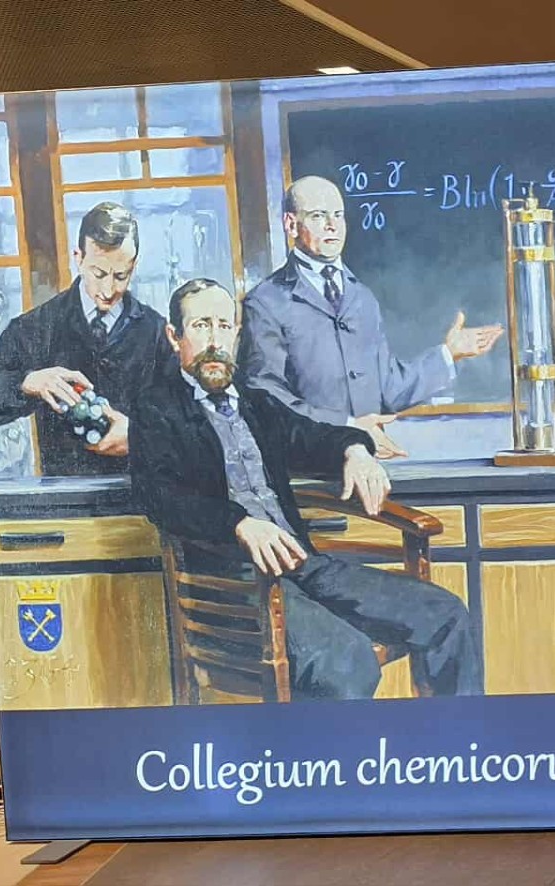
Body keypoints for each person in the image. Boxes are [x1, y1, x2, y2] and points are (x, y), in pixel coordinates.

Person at [131, 279, 480, 700]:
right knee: (347, 661)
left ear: (237, 333)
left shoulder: (258, 405)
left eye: (224, 326)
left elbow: (314, 436)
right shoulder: (156, 409)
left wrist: (355, 450)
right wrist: (239, 524)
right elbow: (161, 496)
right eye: (201, 325)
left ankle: (454, 736)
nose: (215, 340)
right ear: (175, 337)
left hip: (303, 567)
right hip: (231, 584)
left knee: (445, 615)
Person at [241, 175, 505, 458]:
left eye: (338, 215)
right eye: (318, 216)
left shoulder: (362, 298)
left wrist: (449, 354)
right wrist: (349, 427)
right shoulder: (265, 301)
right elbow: (267, 398)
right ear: (291, 224)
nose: (332, 225)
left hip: (372, 463)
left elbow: (388, 389)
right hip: (309, 468)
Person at [0, 202, 168, 475]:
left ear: (134, 266)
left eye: (121, 276)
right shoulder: (37, 326)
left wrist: (141, 436)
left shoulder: (156, 331)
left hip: (144, 489)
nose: (108, 290)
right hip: (64, 491)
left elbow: (191, 413)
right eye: (98, 273)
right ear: (79, 258)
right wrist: (28, 382)